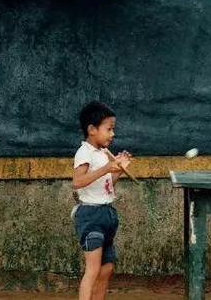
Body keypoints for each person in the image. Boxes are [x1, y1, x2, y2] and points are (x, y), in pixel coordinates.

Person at [72, 101, 132, 300]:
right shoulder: (85, 153)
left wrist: (119, 170)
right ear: (92, 130)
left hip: (107, 214)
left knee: (106, 269)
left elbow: (107, 186)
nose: (112, 134)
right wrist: (106, 169)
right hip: (90, 215)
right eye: (109, 129)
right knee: (93, 269)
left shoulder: (104, 154)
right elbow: (77, 182)